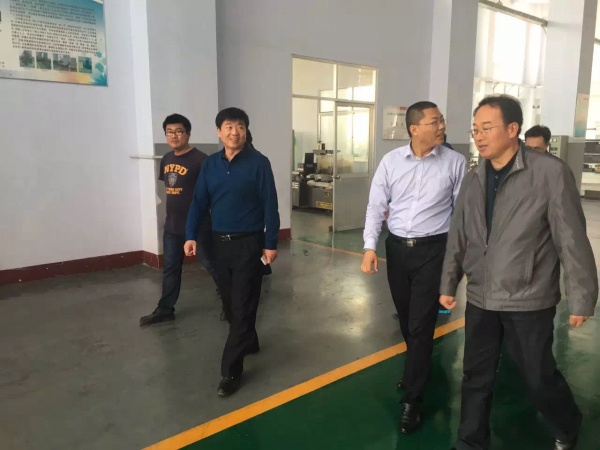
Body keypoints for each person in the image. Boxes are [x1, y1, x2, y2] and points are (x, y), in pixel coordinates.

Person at [440, 95, 598, 450]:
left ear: (513, 129)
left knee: (537, 375)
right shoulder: (474, 178)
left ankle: (567, 423)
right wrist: (449, 281)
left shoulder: (549, 174)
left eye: (487, 128)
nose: (479, 136)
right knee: (475, 374)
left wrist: (582, 297)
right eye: (475, 129)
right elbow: (459, 234)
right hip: (481, 295)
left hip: (528, 296)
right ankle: (470, 442)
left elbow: (571, 238)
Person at [361, 101, 466, 434]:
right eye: (434, 122)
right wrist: (369, 247)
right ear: (414, 129)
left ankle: (412, 401)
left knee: (421, 326)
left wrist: (458, 261)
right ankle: (416, 368)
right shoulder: (391, 162)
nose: (441, 126)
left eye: (441, 121)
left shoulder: (455, 163)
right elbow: (376, 206)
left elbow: (461, 214)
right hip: (397, 250)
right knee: (408, 321)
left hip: (434, 250)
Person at [184, 107, 279, 397]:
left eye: (240, 126)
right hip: (218, 244)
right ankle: (249, 339)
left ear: (246, 131)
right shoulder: (210, 164)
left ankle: (230, 371)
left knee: (242, 303)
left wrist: (271, 243)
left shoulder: (259, 163)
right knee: (230, 302)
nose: (234, 132)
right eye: (228, 126)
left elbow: (270, 205)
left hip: (249, 244)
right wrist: (190, 235)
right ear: (219, 131)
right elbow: (199, 202)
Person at [139, 114, 221, 326]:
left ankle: (231, 303)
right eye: (169, 132)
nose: (173, 136)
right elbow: (170, 189)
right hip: (173, 226)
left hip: (198, 226)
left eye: (178, 131)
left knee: (213, 264)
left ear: (188, 134)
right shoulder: (167, 159)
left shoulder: (201, 160)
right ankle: (165, 309)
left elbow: (212, 193)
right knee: (170, 269)